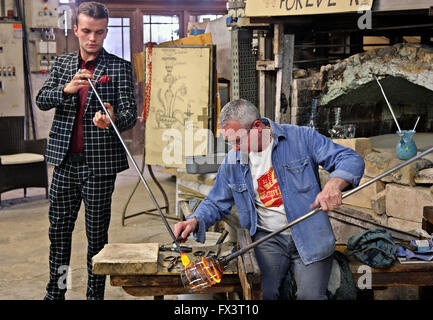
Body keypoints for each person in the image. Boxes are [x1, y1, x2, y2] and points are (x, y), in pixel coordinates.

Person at [174, 99, 365, 300]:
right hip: (267, 238)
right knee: (262, 294)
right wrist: (194, 220)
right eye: (230, 142)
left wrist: (334, 184)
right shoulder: (233, 161)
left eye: (238, 141)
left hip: (310, 236)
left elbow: (350, 159)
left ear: (257, 127)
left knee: (310, 297)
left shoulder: (301, 138)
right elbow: (215, 202)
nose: (235, 148)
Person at [36, 2, 137, 300]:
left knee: (96, 238)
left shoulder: (118, 67)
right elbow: (42, 99)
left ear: (105, 31)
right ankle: (58, 291)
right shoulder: (63, 64)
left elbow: (130, 113)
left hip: (100, 166)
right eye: (87, 31)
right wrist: (66, 89)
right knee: (59, 234)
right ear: (76, 29)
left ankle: (95, 296)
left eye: (100, 32)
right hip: (65, 163)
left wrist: (112, 117)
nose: (93, 38)